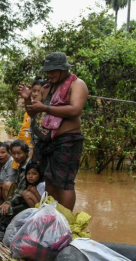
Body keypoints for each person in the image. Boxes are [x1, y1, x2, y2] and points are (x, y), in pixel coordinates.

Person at [18, 52, 88, 211]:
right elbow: (32, 113)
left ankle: (66, 221)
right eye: (47, 71)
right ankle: (52, 216)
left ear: (64, 69)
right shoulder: (46, 88)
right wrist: (28, 99)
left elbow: (75, 110)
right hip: (47, 140)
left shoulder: (77, 84)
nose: (49, 74)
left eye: (53, 70)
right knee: (49, 179)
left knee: (65, 183)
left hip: (68, 140)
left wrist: (45, 108)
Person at [0, 140, 31, 214]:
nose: (16, 156)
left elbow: (21, 189)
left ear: (26, 152)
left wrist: (8, 202)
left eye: (19, 153)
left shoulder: (29, 167)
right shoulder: (22, 164)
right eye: (14, 153)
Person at [16, 77, 45, 159]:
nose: (36, 94)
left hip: (42, 148)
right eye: (34, 91)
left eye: (39, 91)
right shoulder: (30, 110)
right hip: (30, 148)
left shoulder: (48, 108)